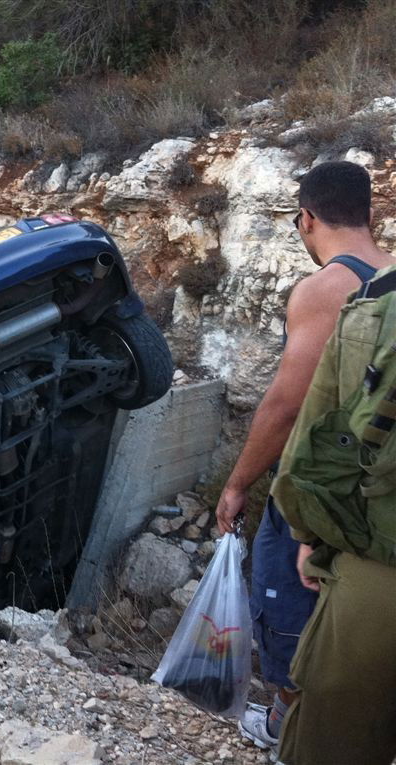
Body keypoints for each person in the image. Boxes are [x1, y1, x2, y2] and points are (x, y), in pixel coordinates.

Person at [214, 160, 394, 751]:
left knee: (286, 602)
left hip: (320, 496)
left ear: (307, 218)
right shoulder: (391, 279)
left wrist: (238, 484)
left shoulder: (324, 290)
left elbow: (286, 406)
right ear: (369, 214)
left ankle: (288, 724)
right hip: (375, 501)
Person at [271, 261, 396, 765]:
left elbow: (318, 427)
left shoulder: (375, 301)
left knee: (336, 734)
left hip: (378, 562)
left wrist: (310, 533)